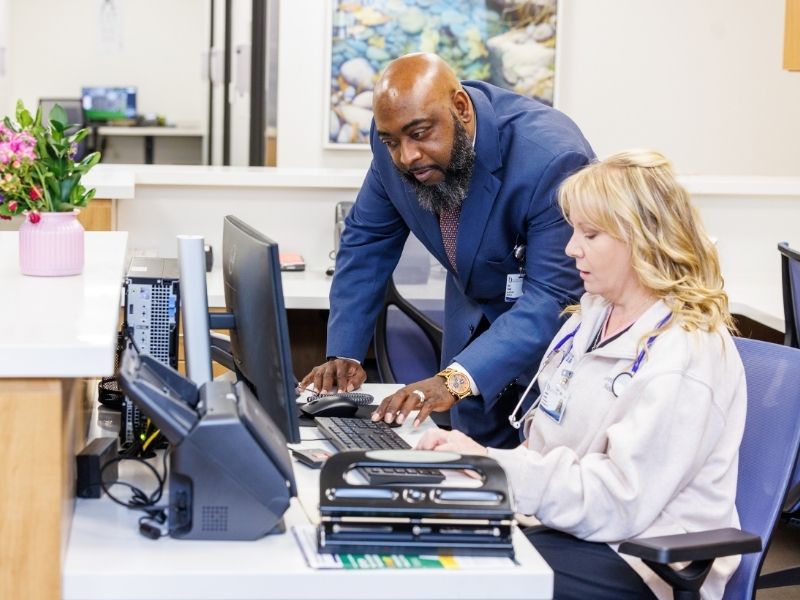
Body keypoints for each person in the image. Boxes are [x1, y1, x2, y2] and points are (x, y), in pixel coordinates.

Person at [417, 149, 746, 600]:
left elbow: (619, 501)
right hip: (571, 521)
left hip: (642, 555)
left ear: (644, 239)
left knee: (474, 579)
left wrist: (491, 467)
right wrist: (483, 472)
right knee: (428, 540)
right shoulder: (591, 316)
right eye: (574, 230)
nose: (571, 248)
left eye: (590, 234)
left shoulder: (685, 354)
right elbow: (547, 439)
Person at [299, 52, 594, 448]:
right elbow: (366, 241)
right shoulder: (394, 140)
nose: (407, 156)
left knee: (536, 480)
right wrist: (345, 354)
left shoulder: (551, 158)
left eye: (420, 134)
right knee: (467, 470)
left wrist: (455, 379)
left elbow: (553, 298)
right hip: (468, 335)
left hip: (545, 356)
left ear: (460, 109)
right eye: (392, 142)